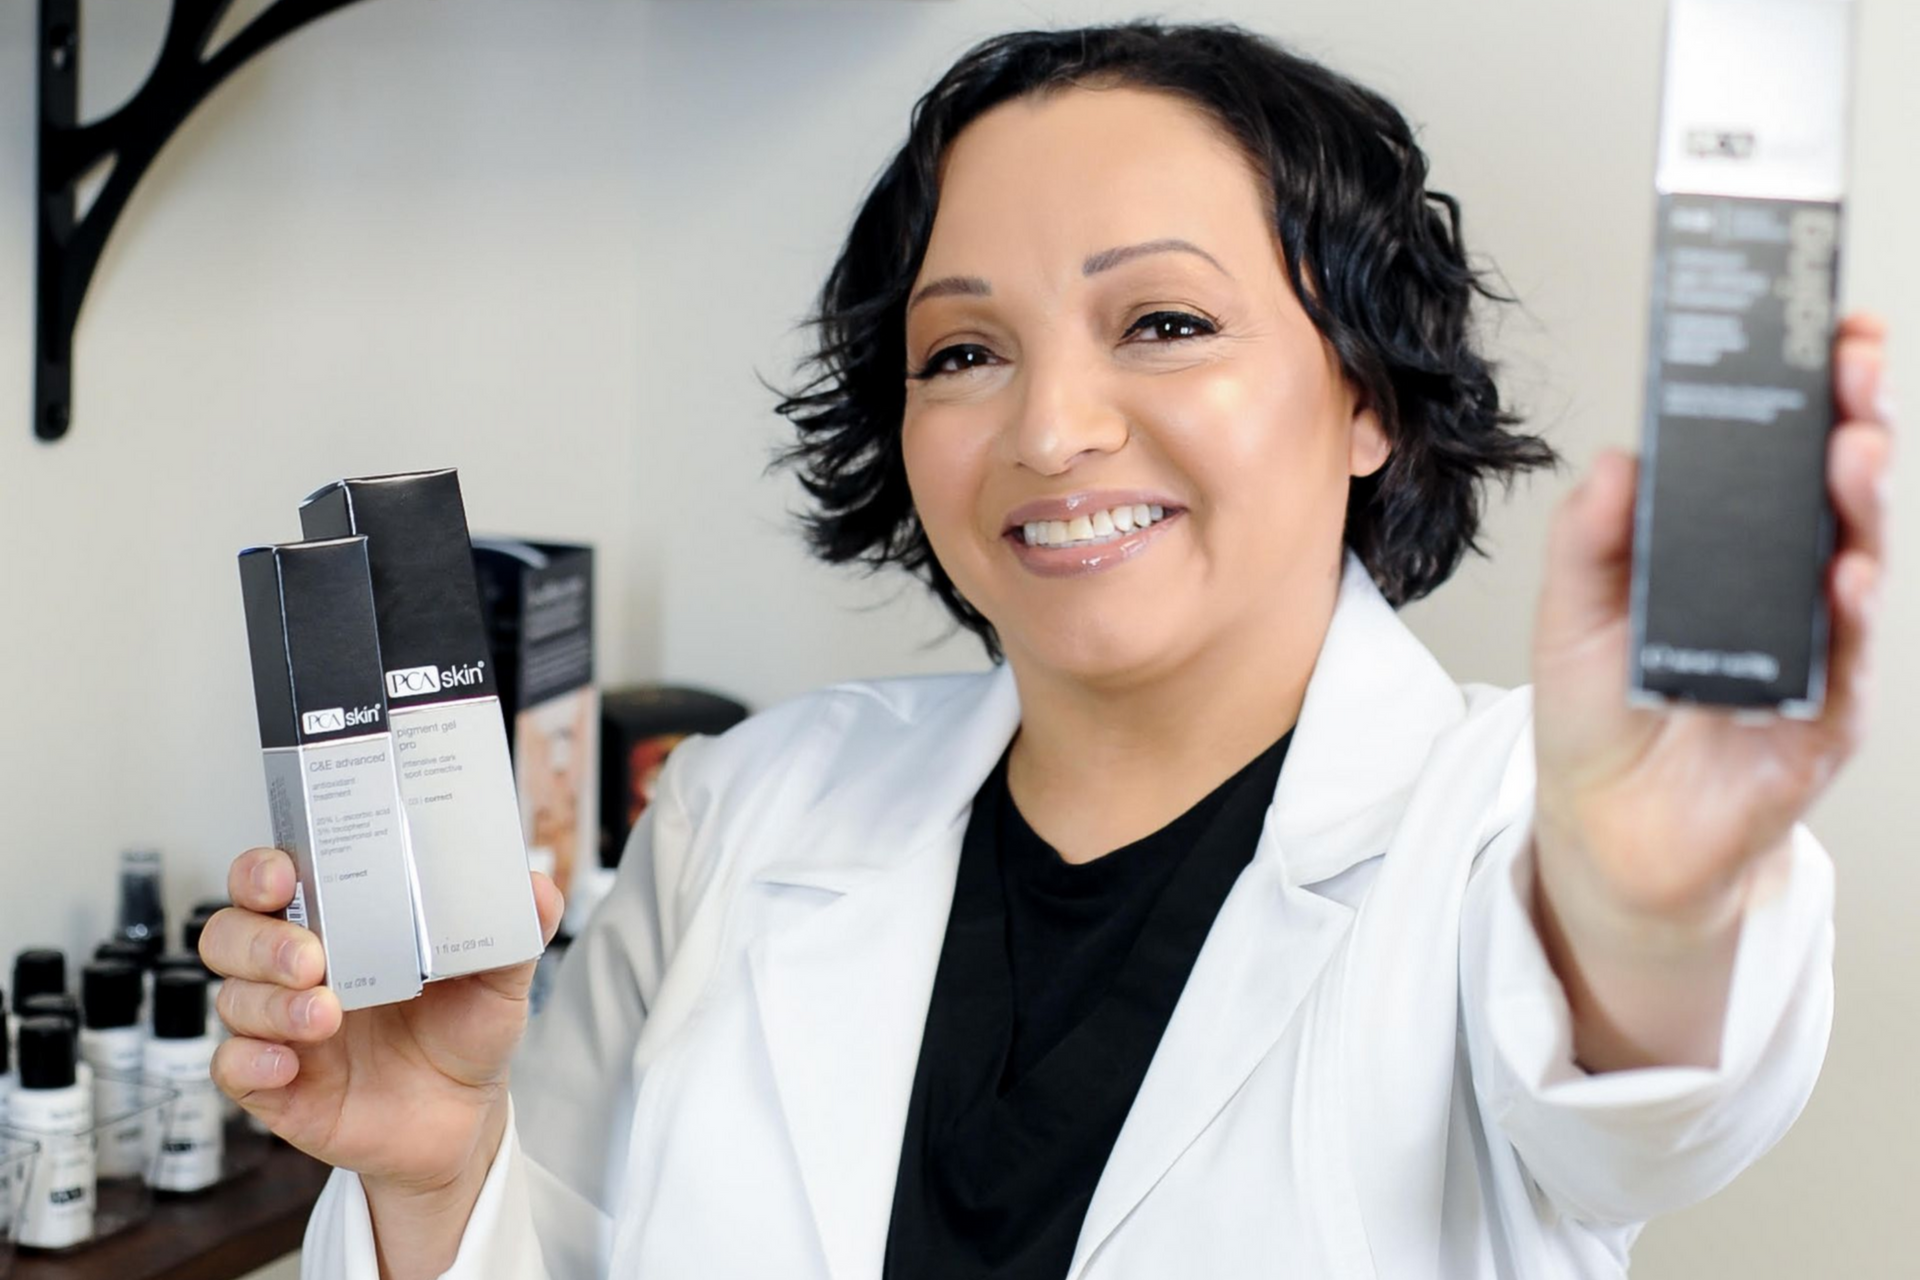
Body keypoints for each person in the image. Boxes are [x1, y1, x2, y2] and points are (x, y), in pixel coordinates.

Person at [198, 22, 1894, 1280]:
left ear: (1367, 397)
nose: (1051, 428)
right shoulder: (743, 811)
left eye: (1164, 322)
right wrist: (433, 1177)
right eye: (963, 352)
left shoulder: (1513, 837)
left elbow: (1652, 1098)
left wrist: (1650, 909)